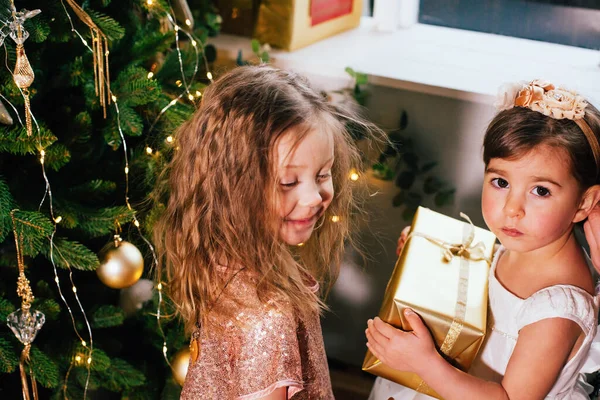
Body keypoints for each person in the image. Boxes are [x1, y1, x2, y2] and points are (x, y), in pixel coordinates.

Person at [367, 80, 600, 399]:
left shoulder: (556, 309)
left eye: (541, 191)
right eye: (501, 182)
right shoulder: (525, 246)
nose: (512, 209)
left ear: (584, 203)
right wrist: (430, 254)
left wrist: (424, 363)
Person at [153, 65, 376, 399]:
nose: (314, 198)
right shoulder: (269, 316)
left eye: (323, 174)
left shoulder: (221, 255)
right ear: (234, 187)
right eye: (288, 182)